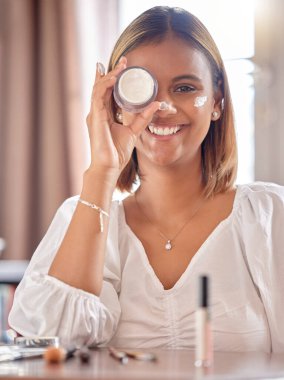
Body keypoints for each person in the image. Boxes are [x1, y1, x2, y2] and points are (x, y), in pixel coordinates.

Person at [9, 6, 284, 352]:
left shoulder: (270, 215)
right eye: (142, 89)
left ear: (217, 102)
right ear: (116, 103)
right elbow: (53, 346)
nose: (162, 107)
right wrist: (102, 171)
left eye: (184, 87)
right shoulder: (85, 222)